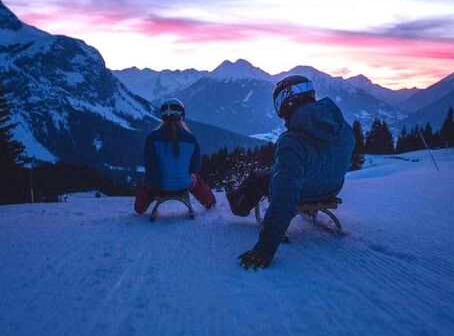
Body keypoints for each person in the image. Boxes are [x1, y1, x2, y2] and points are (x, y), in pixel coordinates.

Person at [227, 75, 355, 269]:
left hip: (304, 190)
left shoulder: (292, 141)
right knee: (278, 172)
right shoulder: (343, 128)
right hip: (331, 188)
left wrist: (264, 250)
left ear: (287, 101)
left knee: (260, 177)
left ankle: (238, 205)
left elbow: (284, 198)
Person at [135, 98, 216, 213]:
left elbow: (150, 167)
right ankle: (210, 203)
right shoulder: (191, 139)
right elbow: (195, 168)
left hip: (159, 186)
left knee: (146, 181)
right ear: (182, 115)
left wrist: (154, 183)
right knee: (196, 180)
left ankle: (140, 208)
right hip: (184, 184)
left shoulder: (152, 138)